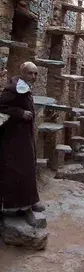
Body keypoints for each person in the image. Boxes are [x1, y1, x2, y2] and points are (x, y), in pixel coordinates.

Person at [0, 61, 44, 227]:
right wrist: (20, 113)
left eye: (35, 74)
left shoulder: (24, 86)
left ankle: (32, 202)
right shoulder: (13, 88)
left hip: (25, 135)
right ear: (22, 73)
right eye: (30, 73)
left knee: (30, 167)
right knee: (22, 170)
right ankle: (25, 209)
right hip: (15, 138)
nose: (33, 77)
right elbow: (1, 105)